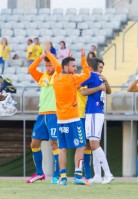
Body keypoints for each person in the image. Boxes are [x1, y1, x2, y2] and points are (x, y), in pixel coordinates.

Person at [49, 49, 90, 185]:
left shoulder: (55, 79)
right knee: (81, 145)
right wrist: (83, 58)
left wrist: (48, 53)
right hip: (73, 118)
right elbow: (87, 73)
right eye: (73, 66)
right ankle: (78, 176)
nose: (75, 68)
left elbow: (57, 66)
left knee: (63, 148)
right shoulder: (73, 78)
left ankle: (63, 178)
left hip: (60, 119)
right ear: (66, 67)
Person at [26, 45, 60, 184]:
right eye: (46, 65)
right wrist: (41, 56)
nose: (48, 67)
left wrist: (50, 55)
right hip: (41, 114)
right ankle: (40, 173)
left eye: (49, 64)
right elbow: (30, 69)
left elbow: (58, 66)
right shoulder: (42, 77)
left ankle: (57, 175)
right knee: (34, 143)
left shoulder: (58, 75)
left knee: (54, 143)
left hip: (54, 114)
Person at [80, 58, 114, 184]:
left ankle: (108, 173)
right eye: (100, 67)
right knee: (94, 144)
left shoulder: (93, 76)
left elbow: (82, 91)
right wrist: (101, 85)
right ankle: (98, 175)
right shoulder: (99, 78)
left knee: (94, 144)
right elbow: (107, 91)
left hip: (94, 112)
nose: (101, 70)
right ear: (95, 67)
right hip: (96, 112)